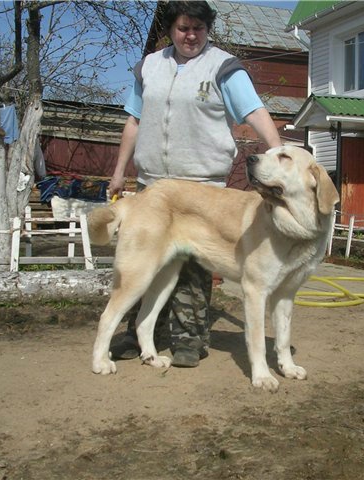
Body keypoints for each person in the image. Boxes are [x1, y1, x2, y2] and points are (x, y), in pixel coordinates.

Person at [108, 0, 282, 368]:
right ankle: (140, 335)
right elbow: (133, 121)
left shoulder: (223, 67)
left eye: (198, 29)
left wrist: (279, 152)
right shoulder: (150, 67)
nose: (191, 35)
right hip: (154, 186)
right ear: (171, 29)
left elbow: (254, 111)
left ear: (207, 29)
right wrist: (119, 170)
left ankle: (190, 340)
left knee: (195, 268)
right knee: (144, 262)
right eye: (184, 28)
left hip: (202, 186)